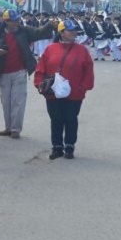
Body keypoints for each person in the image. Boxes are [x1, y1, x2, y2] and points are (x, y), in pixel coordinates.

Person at [0, 9, 56, 139]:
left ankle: (15, 129)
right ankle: (8, 127)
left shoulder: (24, 31)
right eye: (14, 20)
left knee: (18, 101)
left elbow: (39, 33)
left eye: (18, 19)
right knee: (6, 102)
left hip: (20, 71)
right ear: (6, 22)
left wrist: (50, 25)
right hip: (3, 73)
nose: (17, 22)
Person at [34, 20, 94, 159]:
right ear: (61, 33)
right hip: (53, 93)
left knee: (71, 119)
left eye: (74, 30)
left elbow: (88, 71)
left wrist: (82, 88)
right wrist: (39, 84)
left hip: (75, 93)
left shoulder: (82, 50)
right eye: (70, 30)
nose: (74, 32)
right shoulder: (50, 49)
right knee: (56, 119)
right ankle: (57, 147)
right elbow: (40, 69)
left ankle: (69, 146)